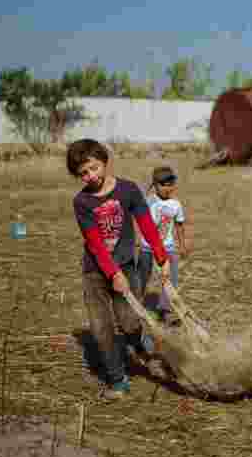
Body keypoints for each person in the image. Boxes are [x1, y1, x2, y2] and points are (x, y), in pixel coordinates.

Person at [67, 139, 175, 398]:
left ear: (105, 161)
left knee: (129, 322)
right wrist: (112, 274)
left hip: (126, 266)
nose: (91, 176)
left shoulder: (128, 190)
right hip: (95, 273)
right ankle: (117, 379)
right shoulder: (82, 202)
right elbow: (95, 243)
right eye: (83, 173)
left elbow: (146, 224)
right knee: (100, 327)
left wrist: (162, 257)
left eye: (94, 168)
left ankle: (138, 343)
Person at [136, 165, 189, 322]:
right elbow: (137, 200)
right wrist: (149, 185)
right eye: (162, 185)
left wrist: (182, 245)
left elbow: (179, 225)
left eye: (170, 184)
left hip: (168, 247)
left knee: (171, 278)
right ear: (155, 185)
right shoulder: (149, 201)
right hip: (147, 247)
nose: (167, 188)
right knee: (142, 277)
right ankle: (134, 306)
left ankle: (165, 309)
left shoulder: (176, 204)